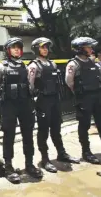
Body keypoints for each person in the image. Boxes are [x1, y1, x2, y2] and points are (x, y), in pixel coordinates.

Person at [0, 37, 43, 183]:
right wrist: (4, 98)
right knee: (9, 136)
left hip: (25, 104)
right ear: (8, 50)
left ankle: (29, 164)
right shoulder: (1, 67)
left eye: (18, 47)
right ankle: (8, 167)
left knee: (28, 134)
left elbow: (29, 84)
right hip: (9, 105)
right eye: (13, 47)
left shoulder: (24, 66)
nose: (16, 50)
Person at [65, 37, 101, 164]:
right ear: (80, 49)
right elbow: (69, 82)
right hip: (84, 98)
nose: (91, 49)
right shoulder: (73, 64)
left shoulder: (94, 62)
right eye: (88, 47)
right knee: (84, 125)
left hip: (98, 97)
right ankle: (86, 152)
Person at [27, 37, 80, 173]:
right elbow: (29, 86)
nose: (45, 49)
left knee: (56, 129)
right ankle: (45, 159)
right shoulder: (33, 66)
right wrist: (33, 102)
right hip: (42, 101)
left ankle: (61, 153)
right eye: (42, 47)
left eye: (46, 47)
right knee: (43, 131)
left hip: (54, 100)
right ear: (36, 49)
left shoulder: (52, 64)